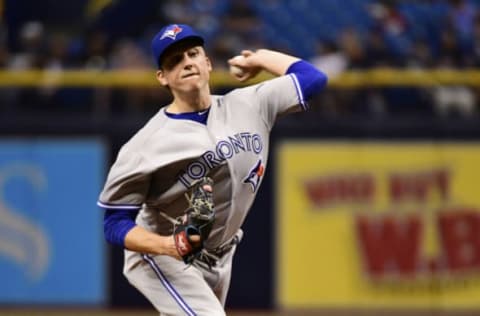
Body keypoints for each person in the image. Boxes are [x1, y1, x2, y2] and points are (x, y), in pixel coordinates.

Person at [98, 23, 327, 315]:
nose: (187, 63)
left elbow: (312, 78)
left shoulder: (250, 104)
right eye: (174, 61)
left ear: (207, 63)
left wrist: (258, 58)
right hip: (162, 254)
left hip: (222, 252)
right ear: (163, 77)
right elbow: (115, 222)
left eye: (193, 54)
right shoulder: (145, 145)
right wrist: (166, 246)